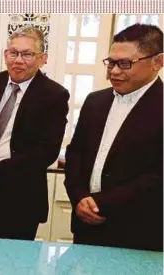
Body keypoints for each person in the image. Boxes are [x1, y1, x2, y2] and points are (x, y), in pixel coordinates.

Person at [64, 23, 163, 251]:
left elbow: (158, 176)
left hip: (138, 232)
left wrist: (101, 204)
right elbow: (75, 152)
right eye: (111, 63)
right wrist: (79, 198)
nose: (114, 71)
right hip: (85, 227)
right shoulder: (95, 101)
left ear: (157, 62)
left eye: (125, 63)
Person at [0, 26, 69, 240]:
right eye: (13, 53)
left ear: (43, 58)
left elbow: (46, 151)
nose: (18, 60)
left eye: (27, 54)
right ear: (6, 55)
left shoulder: (54, 95)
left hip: (21, 199)